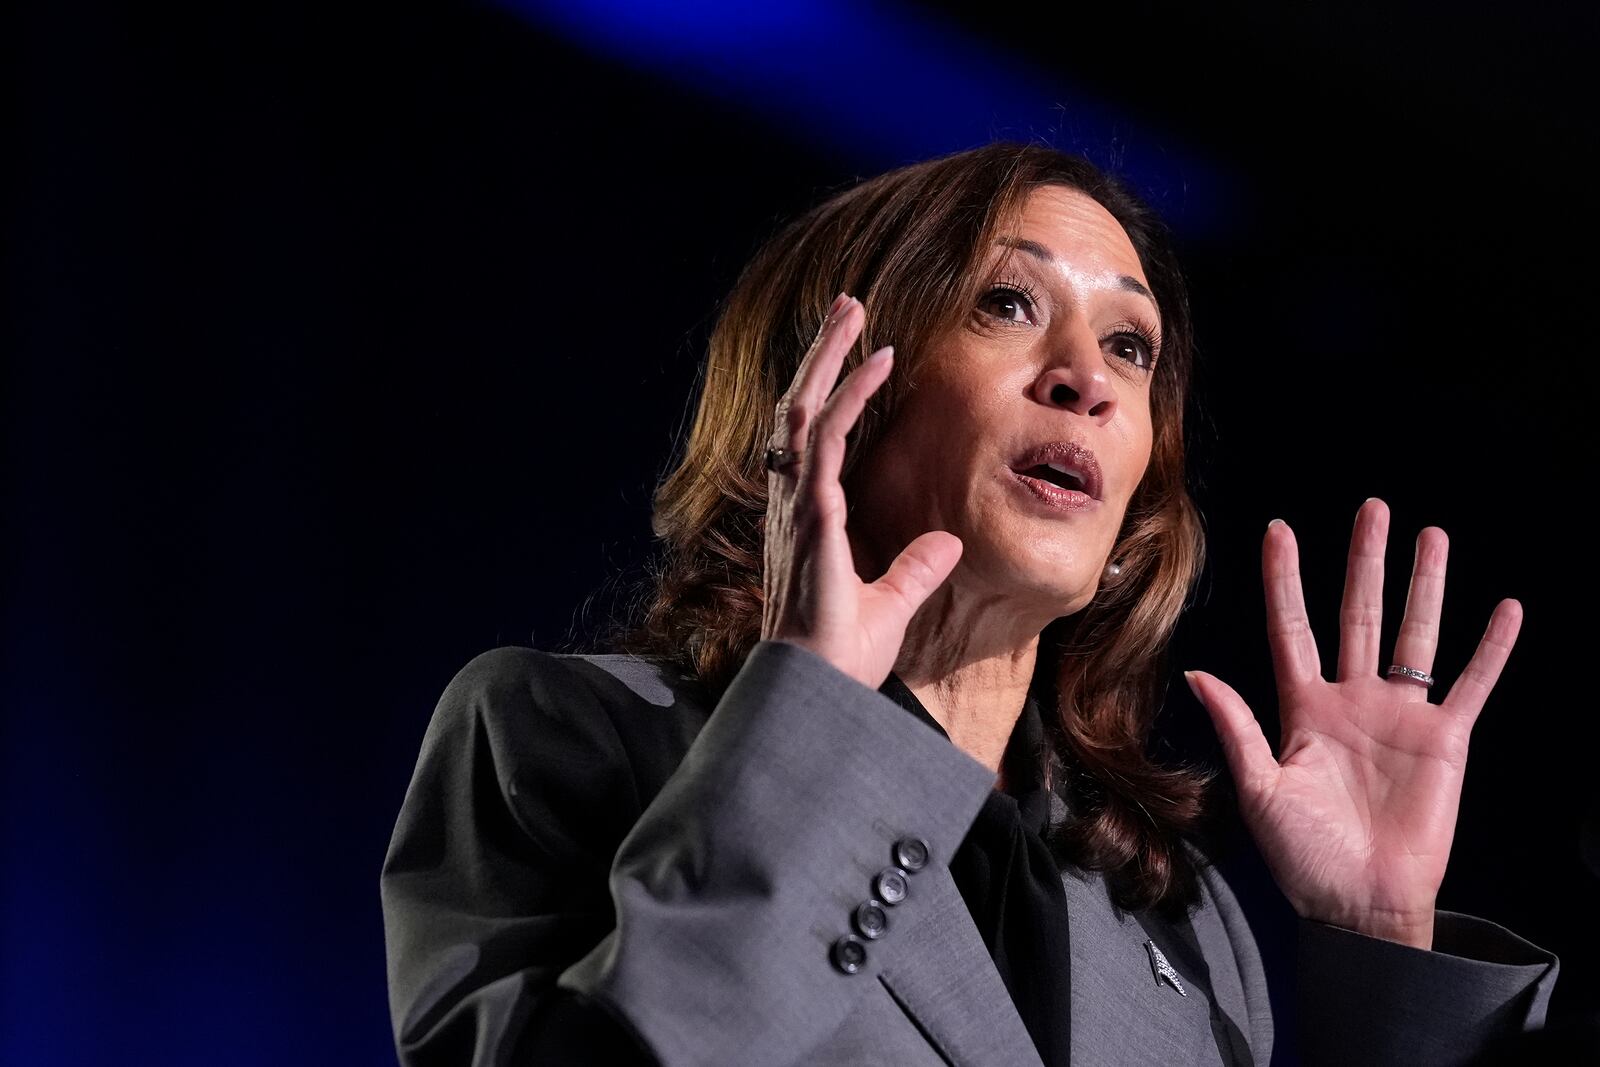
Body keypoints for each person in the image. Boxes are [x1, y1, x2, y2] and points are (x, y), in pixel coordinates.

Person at [379, 143, 1559, 1066]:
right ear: (830, 389)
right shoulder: (569, 735)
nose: (1086, 379)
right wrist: (815, 720)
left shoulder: (1173, 915)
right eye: (1006, 302)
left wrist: (1384, 941)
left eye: (1132, 346)